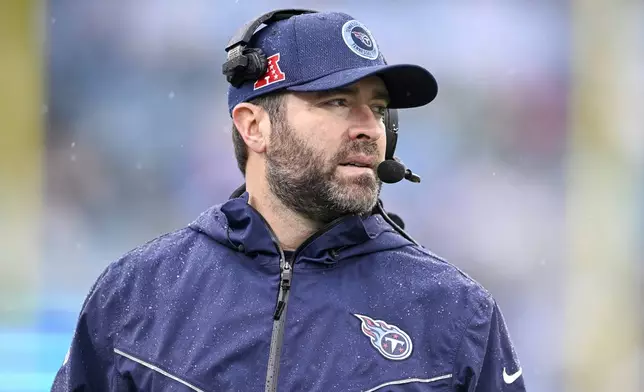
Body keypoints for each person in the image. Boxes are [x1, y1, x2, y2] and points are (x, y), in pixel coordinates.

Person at [51, 9, 526, 392]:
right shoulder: (138, 293)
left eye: (379, 109)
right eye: (337, 101)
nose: (368, 127)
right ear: (254, 126)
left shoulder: (456, 313)